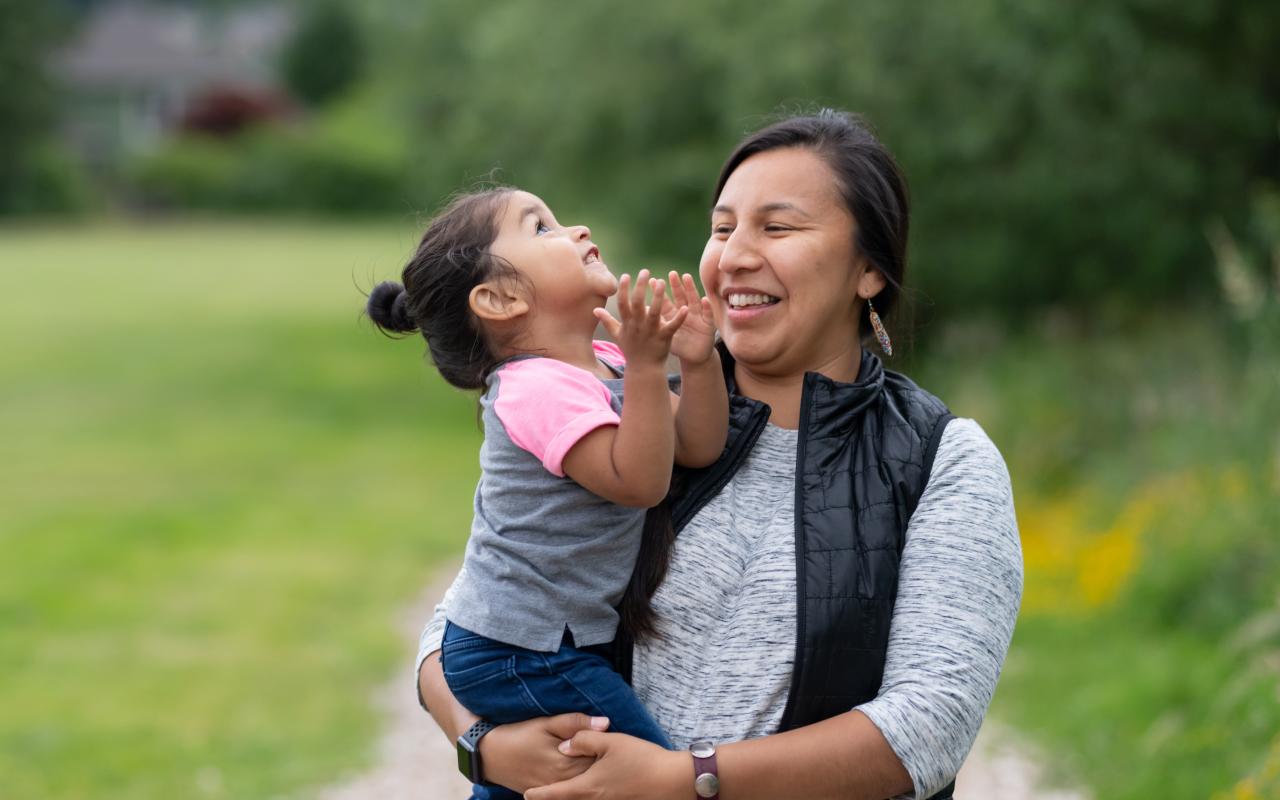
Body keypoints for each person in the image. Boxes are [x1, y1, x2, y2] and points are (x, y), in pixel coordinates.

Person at [418, 110, 1023, 800]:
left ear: (868, 270)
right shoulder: (631, 405)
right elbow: (467, 617)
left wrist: (687, 779)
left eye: (779, 227)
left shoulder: (942, 460)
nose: (734, 254)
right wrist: (484, 748)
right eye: (723, 227)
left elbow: (929, 726)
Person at [366, 188, 729, 799]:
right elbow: (640, 482)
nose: (576, 228)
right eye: (540, 228)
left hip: (546, 643)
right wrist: (647, 368)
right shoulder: (533, 388)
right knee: (642, 773)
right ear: (501, 298)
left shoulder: (607, 363)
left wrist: (696, 364)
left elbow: (696, 446)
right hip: (519, 650)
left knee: (540, 785)